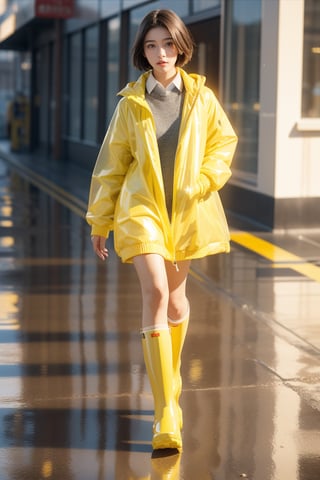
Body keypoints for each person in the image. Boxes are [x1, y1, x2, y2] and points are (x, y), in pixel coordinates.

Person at [86, 9, 237, 452]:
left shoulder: (202, 99)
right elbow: (111, 165)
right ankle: (165, 411)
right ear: (143, 51)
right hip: (142, 209)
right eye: (151, 45)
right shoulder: (130, 103)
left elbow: (222, 143)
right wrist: (101, 218)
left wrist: (206, 179)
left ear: (180, 46)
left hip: (186, 211)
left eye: (167, 44)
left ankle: (170, 386)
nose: (160, 54)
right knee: (154, 290)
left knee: (175, 300)